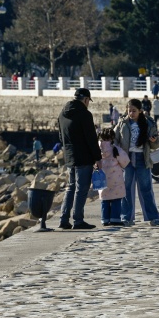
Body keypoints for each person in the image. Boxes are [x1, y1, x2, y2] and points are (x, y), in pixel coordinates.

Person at [114, 99, 159, 226]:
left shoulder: (148, 123)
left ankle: (153, 217)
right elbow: (115, 140)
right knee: (126, 189)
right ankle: (126, 217)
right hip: (127, 159)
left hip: (143, 158)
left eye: (134, 111)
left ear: (140, 111)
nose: (131, 113)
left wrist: (153, 140)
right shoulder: (122, 123)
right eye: (129, 110)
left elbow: (156, 144)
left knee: (146, 188)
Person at [57, 88, 102, 230]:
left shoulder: (62, 113)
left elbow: (60, 137)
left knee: (70, 187)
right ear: (86, 99)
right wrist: (98, 158)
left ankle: (64, 219)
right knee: (81, 189)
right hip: (83, 157)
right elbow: (91, 139)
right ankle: (78, 220)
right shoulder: (85, 114)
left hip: (69, 157)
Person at [97, 128, 130, 226]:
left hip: (102, 178)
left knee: (105, 199)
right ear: (112, 138)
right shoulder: (115, 149)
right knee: (116, 198)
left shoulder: (98, 149)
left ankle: (105, 219)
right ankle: (115, 219)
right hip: (116, 178)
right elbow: (125, 161)